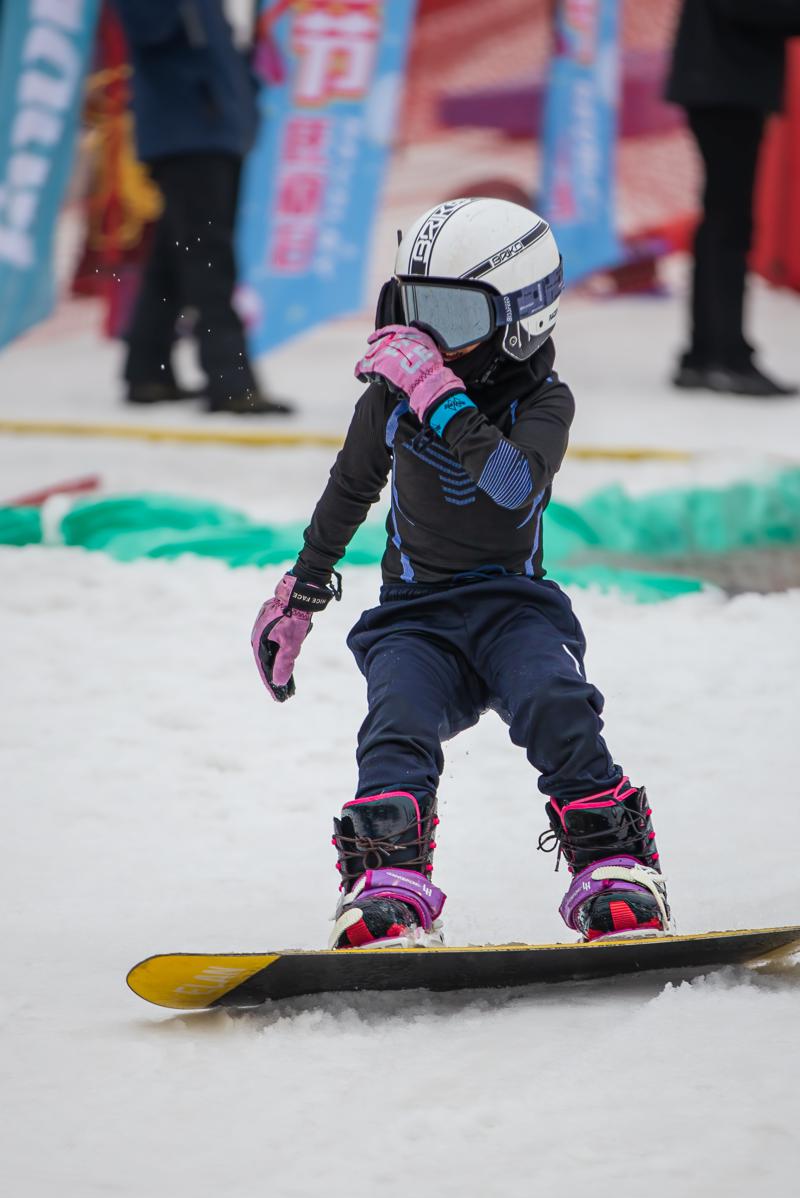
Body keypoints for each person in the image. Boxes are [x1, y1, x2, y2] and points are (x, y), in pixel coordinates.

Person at [250, 197, 670, 948]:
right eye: (416, 311)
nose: (430, 341)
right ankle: (388, 885)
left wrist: (435, 395)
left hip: (516, 611)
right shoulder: (390, 395)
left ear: (521, 319)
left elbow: (513, 486)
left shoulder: (544, 400)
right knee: (394, 725)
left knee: (556, 702)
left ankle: (617, 868)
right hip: (415, 617)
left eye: (455, 316)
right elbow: (352, 485)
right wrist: (300, 592)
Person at [112, 0, 292, 415]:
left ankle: (148, 371)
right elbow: (148, 26)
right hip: (187, 133)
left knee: (176, 256)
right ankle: (229, 382)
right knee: (209, 258)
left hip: (214, 130)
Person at [666, 0, 800, 397]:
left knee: (721, 221)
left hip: (721, 84)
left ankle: (707, 353)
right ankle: (724, 357)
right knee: (729, 224)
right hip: (725, 87)